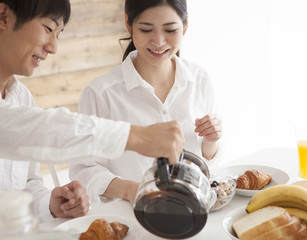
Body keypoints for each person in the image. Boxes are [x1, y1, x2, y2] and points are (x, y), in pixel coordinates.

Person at [0, 0, 184, 222]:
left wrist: (49, 204)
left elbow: (27, 184)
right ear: (3, 16)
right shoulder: (101, 92)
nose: (53, 47)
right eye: (48, 28)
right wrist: (135, 137)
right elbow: (28, 127)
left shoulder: (21, 98)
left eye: (58, 35)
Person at [70, 0, 222, 205]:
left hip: (192, 211)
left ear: (185, 26)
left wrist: (211, 141)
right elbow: (84, 170)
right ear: (128, 23)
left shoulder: (200, 79)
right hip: (132, 218)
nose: (159, 41)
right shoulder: (101, 94)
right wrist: (134, 191)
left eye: (170, 29)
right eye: (146, 29)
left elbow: (208, 166)